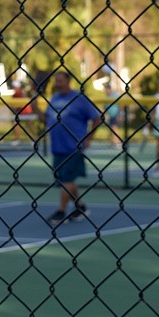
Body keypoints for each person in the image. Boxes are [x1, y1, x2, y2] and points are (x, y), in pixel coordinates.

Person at [43, 71, 101, 226]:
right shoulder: (54, 98)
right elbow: (46, 118)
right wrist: (34, 105)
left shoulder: (79, 99)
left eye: (60, 80)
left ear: (68, 81)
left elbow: (97, 118)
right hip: (58, 146)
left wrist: (89, 137)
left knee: (67, 179)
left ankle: (61, 211)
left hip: (73, 146)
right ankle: (80, 206)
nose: (58, 83)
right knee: (65, 179)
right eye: (56, 81)